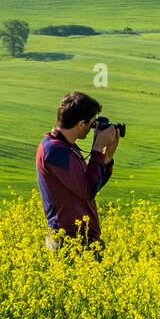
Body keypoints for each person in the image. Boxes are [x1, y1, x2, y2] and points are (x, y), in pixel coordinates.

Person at [36, 91, 119, 260]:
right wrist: (96, 150)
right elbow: (87, 190)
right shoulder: (54, 151)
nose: (92, 128)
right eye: (90, 123)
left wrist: (106, 158)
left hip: (82, 241)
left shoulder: (68, 148)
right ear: (81, 124)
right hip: (67, 242)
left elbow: (92, 187)